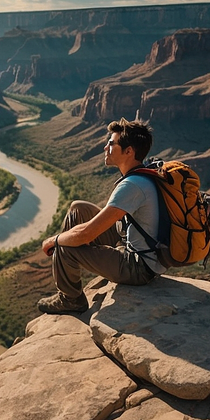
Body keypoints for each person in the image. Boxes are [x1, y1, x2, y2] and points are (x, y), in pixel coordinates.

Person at [37, 117, 166, 314]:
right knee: (78, 208)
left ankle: (71, 300)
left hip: (139, 267)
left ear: (129, 151)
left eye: (111, 144)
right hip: (135, 245)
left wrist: (54, 240)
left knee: (64, 245)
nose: (105, 147)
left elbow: (86, 234)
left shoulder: (132, 185)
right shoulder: (145, 172)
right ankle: (66, 279)